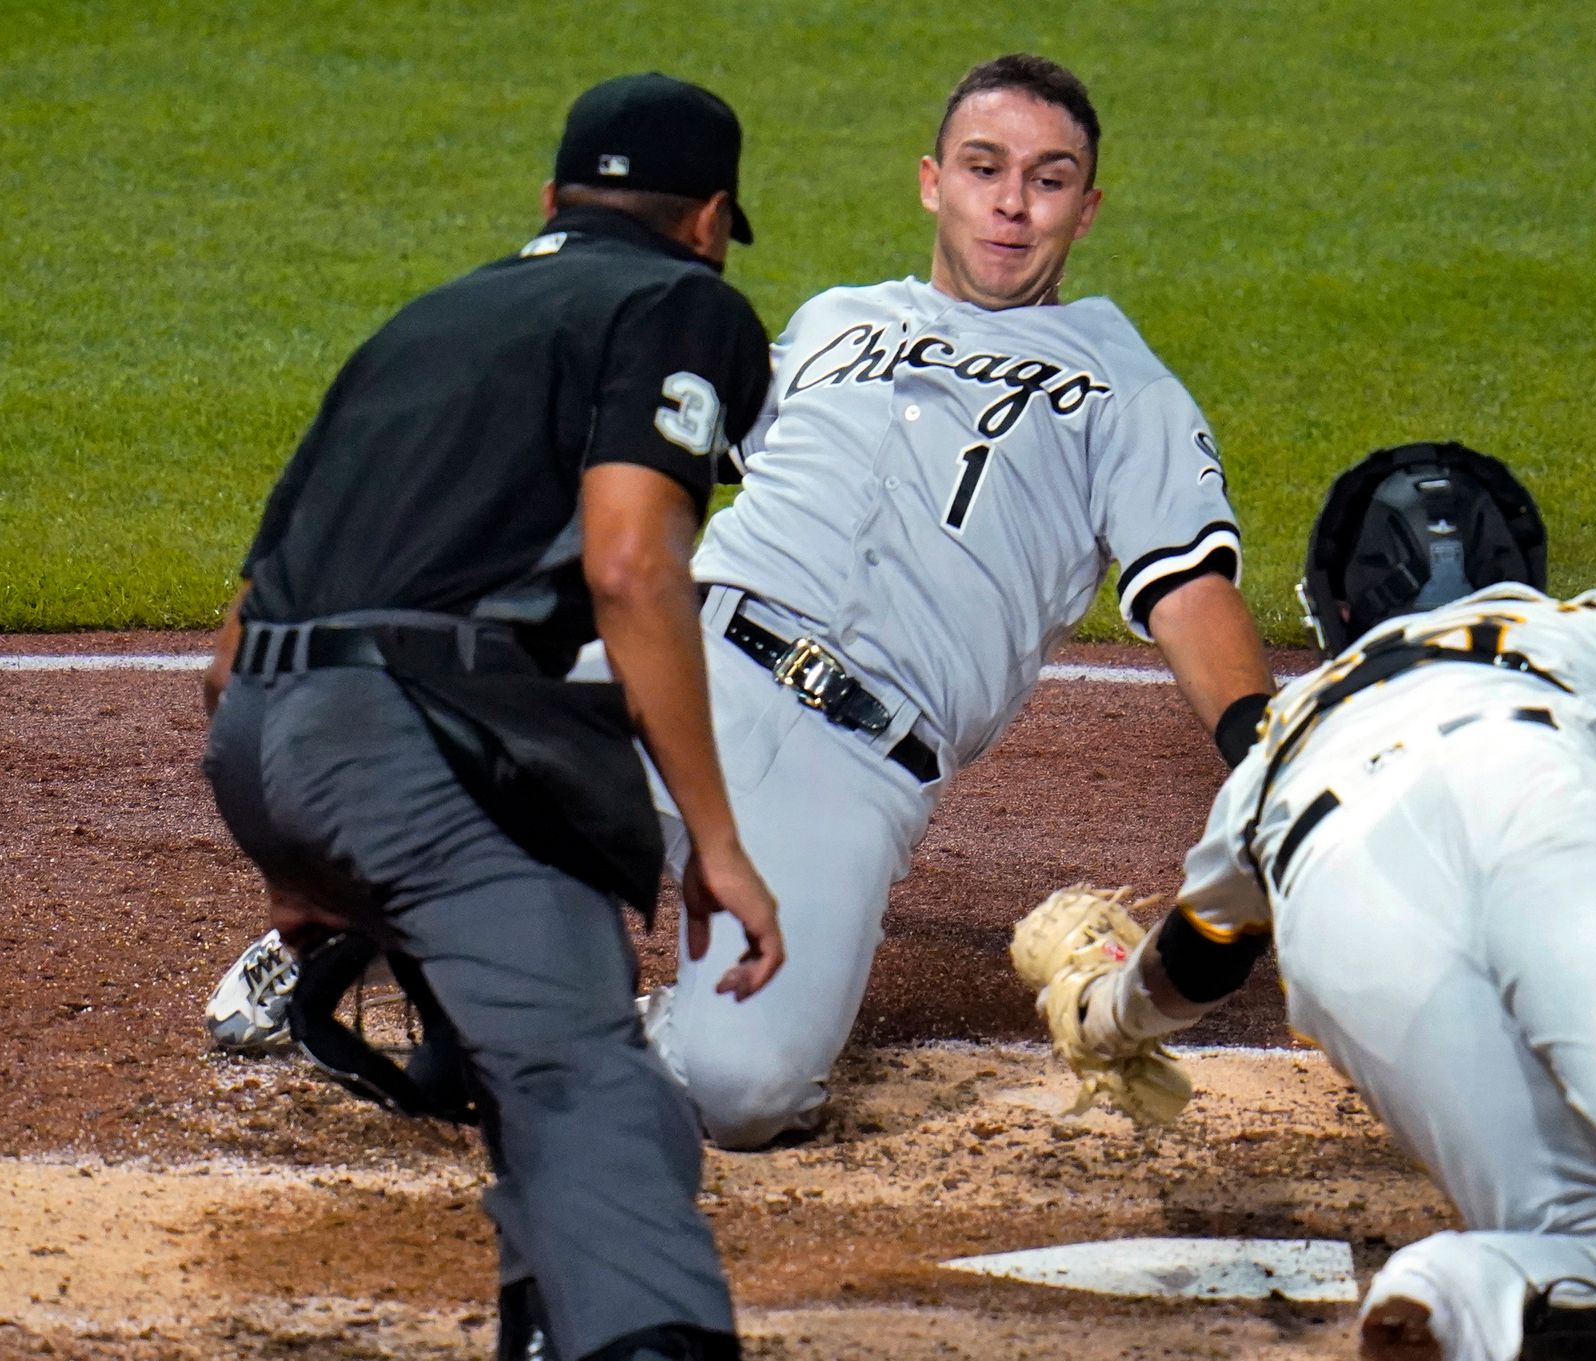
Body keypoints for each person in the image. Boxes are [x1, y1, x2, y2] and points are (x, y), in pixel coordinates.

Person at [208, 52, 1273, 1151]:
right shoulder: (828, 324)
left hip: (855, 764)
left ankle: (587, 1024)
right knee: (412, 727)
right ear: (931, 181)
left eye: (1048, 180)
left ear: (1086, 209)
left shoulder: (1124, 382)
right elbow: (644, 454)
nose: (1011, 201)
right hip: (687, 661)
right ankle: (337, 930)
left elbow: (1187, 584)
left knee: (744, 1093)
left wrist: (1264, 745)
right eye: (983, 167)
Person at [1020, 442, 1596, 1361]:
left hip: (1344, 898)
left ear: (1340, 607)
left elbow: (1200, 959)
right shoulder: (1579, 630)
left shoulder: (1288, 733)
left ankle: (1447, 1293)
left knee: (1574, 1231)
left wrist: (1105, 1012)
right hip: (1534, 799)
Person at [199, 73, 784, 1361]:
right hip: (413, 746)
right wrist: (717, 840)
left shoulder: (426, 322)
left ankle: (548, 1328)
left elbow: (237, 631)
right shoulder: (682, 301)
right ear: (709, 218)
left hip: (261, 736)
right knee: (593, 1090)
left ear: (551, 201)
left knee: (529, 1055)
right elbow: (634, 563)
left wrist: (291, 854)